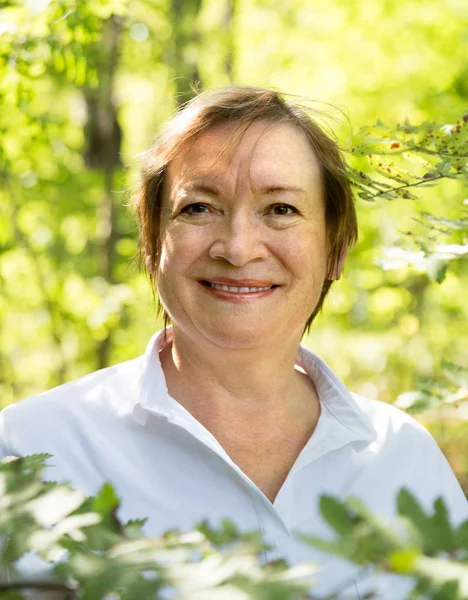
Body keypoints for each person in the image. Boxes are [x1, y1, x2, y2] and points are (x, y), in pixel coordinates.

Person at [1, 85, 467, 599]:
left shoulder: (403, 457)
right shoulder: (32, 450)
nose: (239, 249)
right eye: (199, 208)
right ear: (153, 241)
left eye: (282, 209)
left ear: (335, 248)